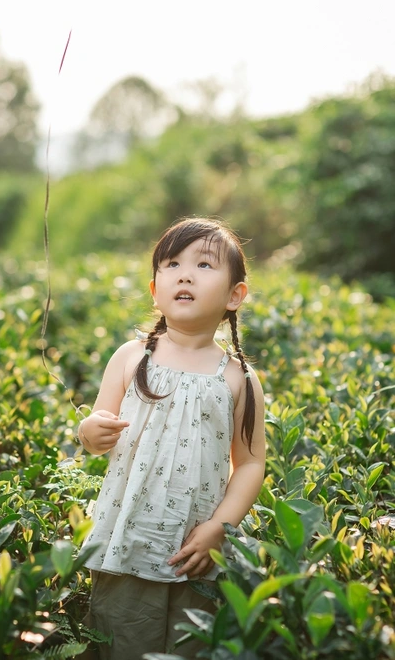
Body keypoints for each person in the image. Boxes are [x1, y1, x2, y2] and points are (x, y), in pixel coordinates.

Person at [78, 217, 266, 659]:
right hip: (129, 534)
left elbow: (252, 463)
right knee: (121, 636)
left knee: (190, 643)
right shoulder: (131, 356)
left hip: (194, 544)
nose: (185, 274)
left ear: (234, 296)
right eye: (172, 264)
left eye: (204, 265)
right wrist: (90, 432)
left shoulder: (239, 378)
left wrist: (220, 529)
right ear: (155, 289)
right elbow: (95, 427)